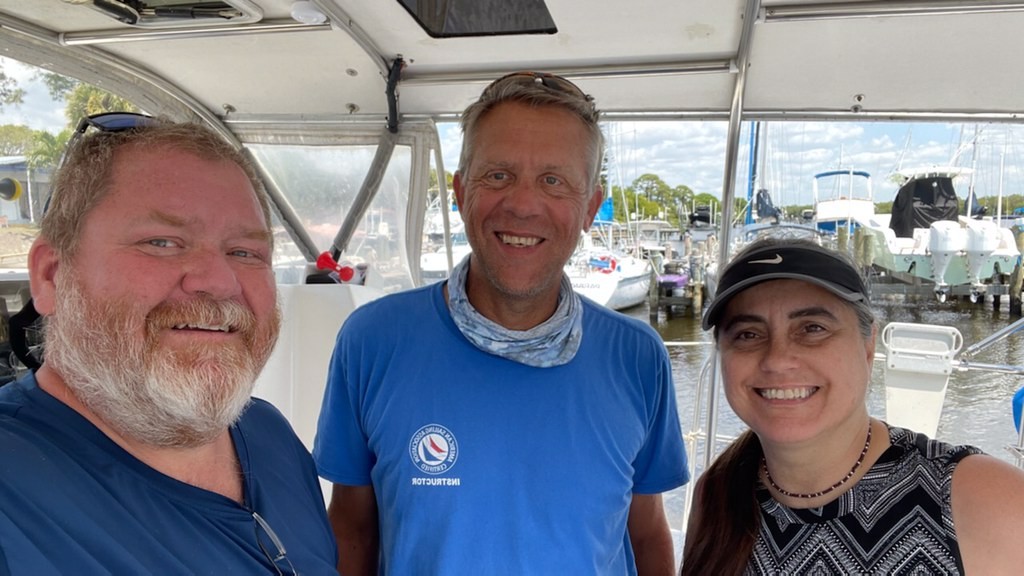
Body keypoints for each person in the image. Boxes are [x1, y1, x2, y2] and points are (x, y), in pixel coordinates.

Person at [313, 72, 689, 575]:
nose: (522, 204)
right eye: (498, 176)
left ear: (590, 209)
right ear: (461, 192)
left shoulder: (639, 357)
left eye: (553, 181)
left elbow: (645, 534)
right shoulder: (372, 341)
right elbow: (352, 529)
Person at [0, 114, 339, 573]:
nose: (219, 282)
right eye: (162, 242)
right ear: (51, 275)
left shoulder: (268, 434)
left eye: (244, 252)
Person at [681, 237, 1024, 575]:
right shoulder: (717, 495)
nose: (778, 360)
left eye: (812, 328)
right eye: (748, 334)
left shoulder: (983, 501)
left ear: (868, 346)